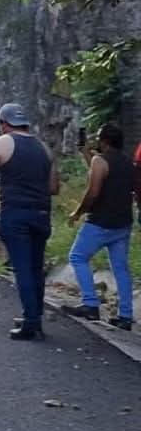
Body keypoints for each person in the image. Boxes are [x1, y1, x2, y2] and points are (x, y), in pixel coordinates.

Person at [0, 102, 58, 340]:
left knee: (22, 269)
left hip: (16, 213)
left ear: (3, 124)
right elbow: (53, 187)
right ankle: (34, 315)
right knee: (35, 267)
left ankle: (31, 323)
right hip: (42, 214)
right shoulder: (43, 148)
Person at [66, 121, 134, 330]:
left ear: (104, 140)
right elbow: (107, 176)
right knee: (121, 269)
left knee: (77, 257)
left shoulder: (100, 160)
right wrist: (87, 155)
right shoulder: (127, 162)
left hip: (100, 222)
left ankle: (90, 304)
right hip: (122, 223)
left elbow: (94, 191)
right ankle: (125, 316)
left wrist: (77, 212)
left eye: (98, 137)